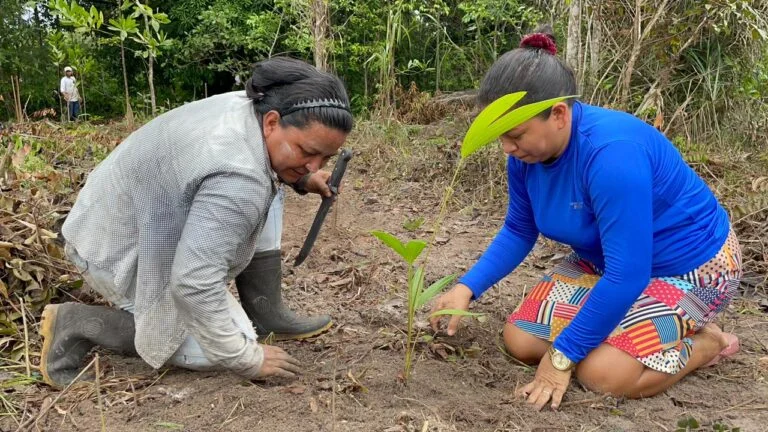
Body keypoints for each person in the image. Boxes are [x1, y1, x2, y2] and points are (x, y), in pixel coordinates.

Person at [429, 26, 742, 411]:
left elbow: (629, 274)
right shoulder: (525, 156)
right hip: (603, 261)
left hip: (689, 269)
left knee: (602, 374)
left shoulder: (611, 155)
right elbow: (519, 229)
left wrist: (562, 358)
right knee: (521, 340)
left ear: (559, 114)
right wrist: (466, 288)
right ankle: (620, 324)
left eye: (515, 134)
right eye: (500, 136)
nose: (507, 147)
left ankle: (708, 341)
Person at [40, 57, 354, 388]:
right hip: (111, 245)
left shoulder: (255, 107)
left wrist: (303, 178)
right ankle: (75, 322)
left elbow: (256, 172)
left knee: (270, 188)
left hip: (122, 209)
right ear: (273, 123)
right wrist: (245, 357)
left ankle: (265, 309)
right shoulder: (239, 176)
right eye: (308, 151)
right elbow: (193, 282)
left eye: (325, 158)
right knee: (221, 347)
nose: (313, 166)